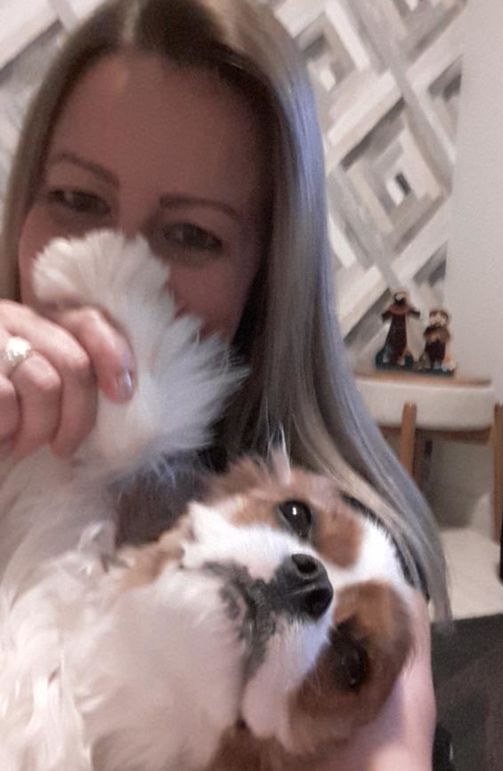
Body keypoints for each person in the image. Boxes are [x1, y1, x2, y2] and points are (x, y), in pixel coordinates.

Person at [0, 0, 450, 767]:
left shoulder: (352, 567)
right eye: (76, 199)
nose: (118, 264)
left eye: (192, 234)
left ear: (263, 278)